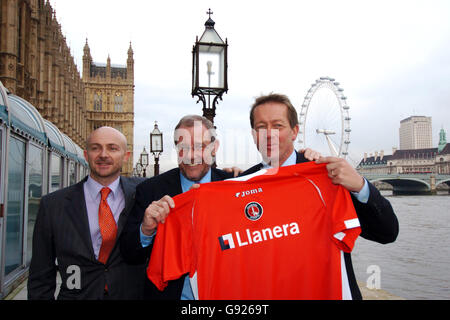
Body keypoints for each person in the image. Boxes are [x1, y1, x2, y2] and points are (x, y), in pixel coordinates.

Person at [121, 114, 321, 300]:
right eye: (184, 147)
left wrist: (306, 160)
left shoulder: (236, 187)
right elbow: (129, 254)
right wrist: (146, 230)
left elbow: (276, 223)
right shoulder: (150, 190)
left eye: (200, 146)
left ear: (214, 148)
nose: (192, 156)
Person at [241, 93, 399, 300]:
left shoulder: (328, 177)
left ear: (295, 131)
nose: (268, 134)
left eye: (278, 126)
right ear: (253, 134)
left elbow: (386, 233)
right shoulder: (240, 185)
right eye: (261, 127)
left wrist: (361, 187)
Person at [28, 126, 145, 300]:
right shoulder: (53, 205)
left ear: (126, 156)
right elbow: (40, 275)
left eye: (112, 148)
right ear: (85, 155)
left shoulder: (143, 194)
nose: (103, 155)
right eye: (95, 148)